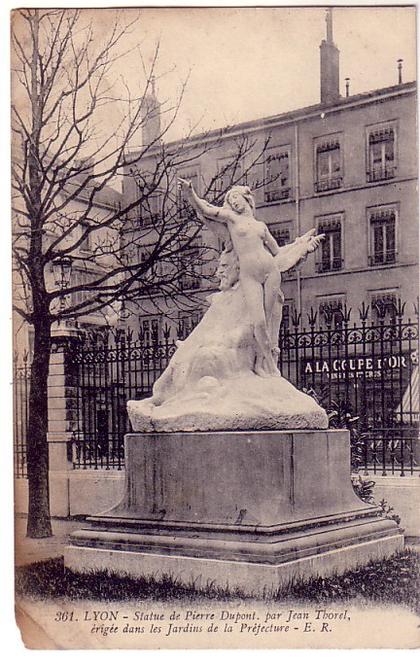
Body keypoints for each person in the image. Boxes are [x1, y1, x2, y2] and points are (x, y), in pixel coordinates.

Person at [178, 178, 324, 377]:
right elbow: (206, 210)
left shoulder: (261, 226)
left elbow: (277, 252)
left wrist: (301, 247)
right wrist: (190, 193)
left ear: (247, 198)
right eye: (231, 199)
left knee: (269, 321)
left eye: (236, 196)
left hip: (270, 271)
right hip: (250, 276)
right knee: (259, 322)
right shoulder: (231, 219)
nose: (234, 201)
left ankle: (263, 364)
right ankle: (266, 366)